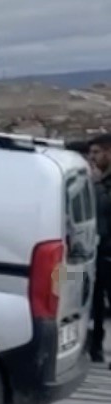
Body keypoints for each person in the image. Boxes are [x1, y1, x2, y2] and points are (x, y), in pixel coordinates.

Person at [87, 134, 111, 364]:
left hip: (106, 256)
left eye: (96, 153)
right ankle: (93, 348)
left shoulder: (100, 184)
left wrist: (95, 185)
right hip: (89, 257)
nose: (92, 157)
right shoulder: (97, 180)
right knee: (85, 299)